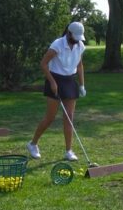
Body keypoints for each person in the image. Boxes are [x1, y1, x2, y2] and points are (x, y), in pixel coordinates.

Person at [26, 22, 87, 161]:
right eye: (75, 36)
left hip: (70, 81)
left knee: (69, 118)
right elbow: (43, 63)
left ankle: (68, 151)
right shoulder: (57, 44)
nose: (77, 39)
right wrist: (52, 82)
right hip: (55, 79)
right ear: (69, 33)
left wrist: (82, 85)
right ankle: (33, 144)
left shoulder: (80, 45)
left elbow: (79, 64)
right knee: (50, 117)